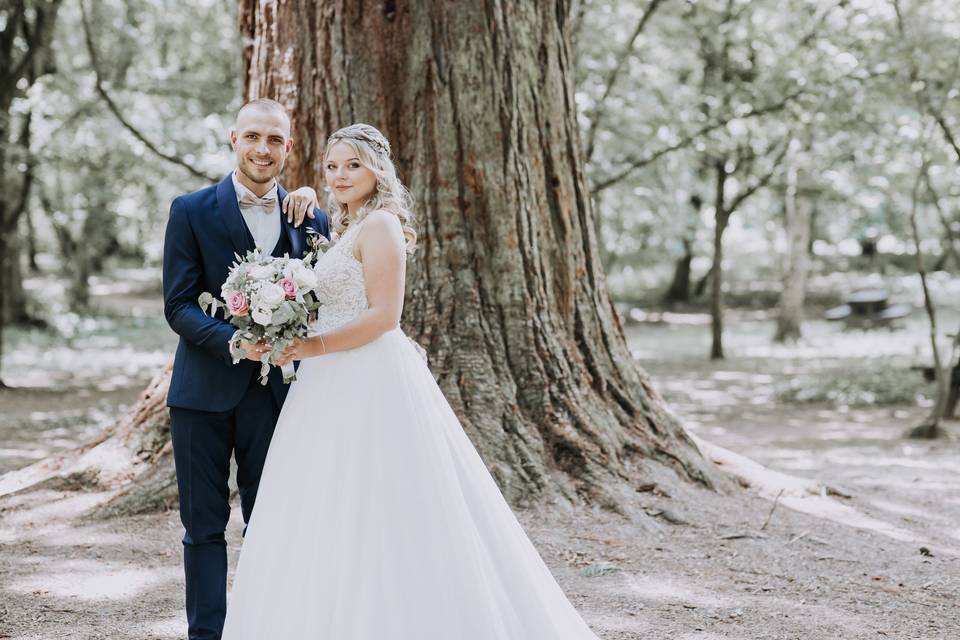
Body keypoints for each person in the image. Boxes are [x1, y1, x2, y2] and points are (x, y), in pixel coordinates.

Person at [220, 123, 602, 639]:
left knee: (381, 500)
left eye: (353, 164)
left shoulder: (381, 225)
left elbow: (385, 317)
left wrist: (311, 347)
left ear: (377, 169)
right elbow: (331, 295)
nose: (340, 175)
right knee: (329, 503)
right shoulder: (346, 227)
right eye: (332, 166)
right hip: (328, 380)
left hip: (368, 377)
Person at [162, 98, 328, 640]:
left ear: (289, 148)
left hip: (278, 398)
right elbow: (179, 305)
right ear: (234, 139)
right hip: (200, 394)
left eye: (275, 140)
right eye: (253, 136)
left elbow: (328, 299)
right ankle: (206, 634)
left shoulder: (311, 218)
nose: (263, 148)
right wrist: (236, 342)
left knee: (272, 523)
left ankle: (269, 628)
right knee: (203, 530)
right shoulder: (190, 209)